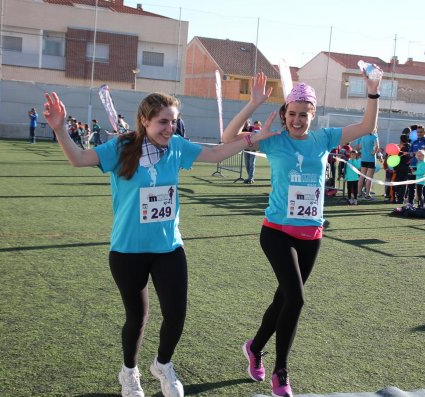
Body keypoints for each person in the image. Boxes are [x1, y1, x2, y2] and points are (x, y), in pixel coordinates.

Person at [42, 73, 277, 397]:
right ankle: (129, 372)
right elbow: (78, 158)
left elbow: (216, 154)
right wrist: (59, 128)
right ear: (145, 120)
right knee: (137, 317)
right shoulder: (122, 147)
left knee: (176, 315)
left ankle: (163, 365)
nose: (170, 128)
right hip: (127, 250)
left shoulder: (177, 147)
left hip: (168, 247)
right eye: (163, 122)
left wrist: (252, 131)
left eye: (173, 122)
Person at [221, 69, 382, 397]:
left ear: (313, 115)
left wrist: (372, 92)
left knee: (284, 298)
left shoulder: (324, 139)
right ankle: (281, 371)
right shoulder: (273, 140)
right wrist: (253, 104)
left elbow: (366, 127)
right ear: (284, 115)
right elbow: (227, 139)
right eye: (292, 114)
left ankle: (255, 347)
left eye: (303, 115)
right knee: (296, 298)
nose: (297, 120)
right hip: (276, 232)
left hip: (311, 234)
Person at [407, 126, 425, 205]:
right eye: (418, 132)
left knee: (422, 186)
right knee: (411, 185)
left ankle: (423, 203)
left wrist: (423, 159)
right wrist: (411, 154)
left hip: (422, 167)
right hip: (413, 166)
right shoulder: (414, 142)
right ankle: (410, 202)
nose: (419, 134)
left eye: (421, 132)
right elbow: (410, 153)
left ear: (424, 133)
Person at [354, 129, 379, 200]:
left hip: (363, 158)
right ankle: (367, 194)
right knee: (369, 178)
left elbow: (360, 146)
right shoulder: (374, 136)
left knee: (362, 177)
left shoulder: (363, 136)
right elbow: (377, 146)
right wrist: (373, 153)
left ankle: (359, 193)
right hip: (371, 159)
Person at [241, 119, 256, 184]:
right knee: (247, 164)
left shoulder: (252, 128)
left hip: (253, 148)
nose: (245, 122)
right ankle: (249, 177)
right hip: (246, 148)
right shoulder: (242, 129)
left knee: (251, 163)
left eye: (246, 121)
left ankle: (251, 178)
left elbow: (254, 135)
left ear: (249, 122)